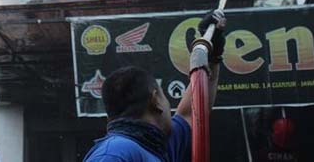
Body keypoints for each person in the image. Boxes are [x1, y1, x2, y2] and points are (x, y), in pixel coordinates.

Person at [84, 10, 226, 162]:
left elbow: (192, 113)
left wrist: (212, 54)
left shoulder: (155, 144)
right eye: (164, 96)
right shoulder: (114, 153)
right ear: (155, 101)